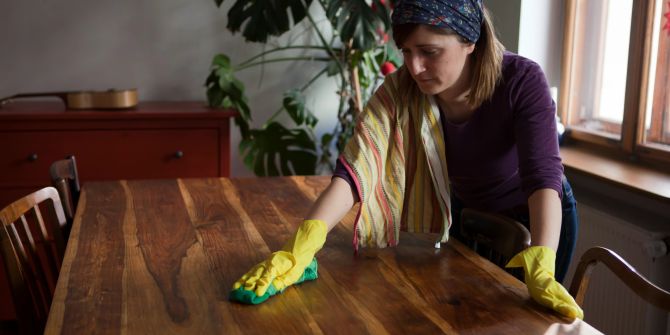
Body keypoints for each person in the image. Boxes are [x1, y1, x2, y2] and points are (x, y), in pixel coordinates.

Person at [230, 0, 583, 319]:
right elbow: (357, 167)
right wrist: (301, 248)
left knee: (524, 321)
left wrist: (542, 262)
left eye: (429, 51)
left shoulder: (521, 80)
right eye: (406, 51)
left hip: (538, 216)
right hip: (465, 210)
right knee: (461, 316)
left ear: (470, 41)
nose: (415, 67)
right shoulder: (401, 90)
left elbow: (542, 177)